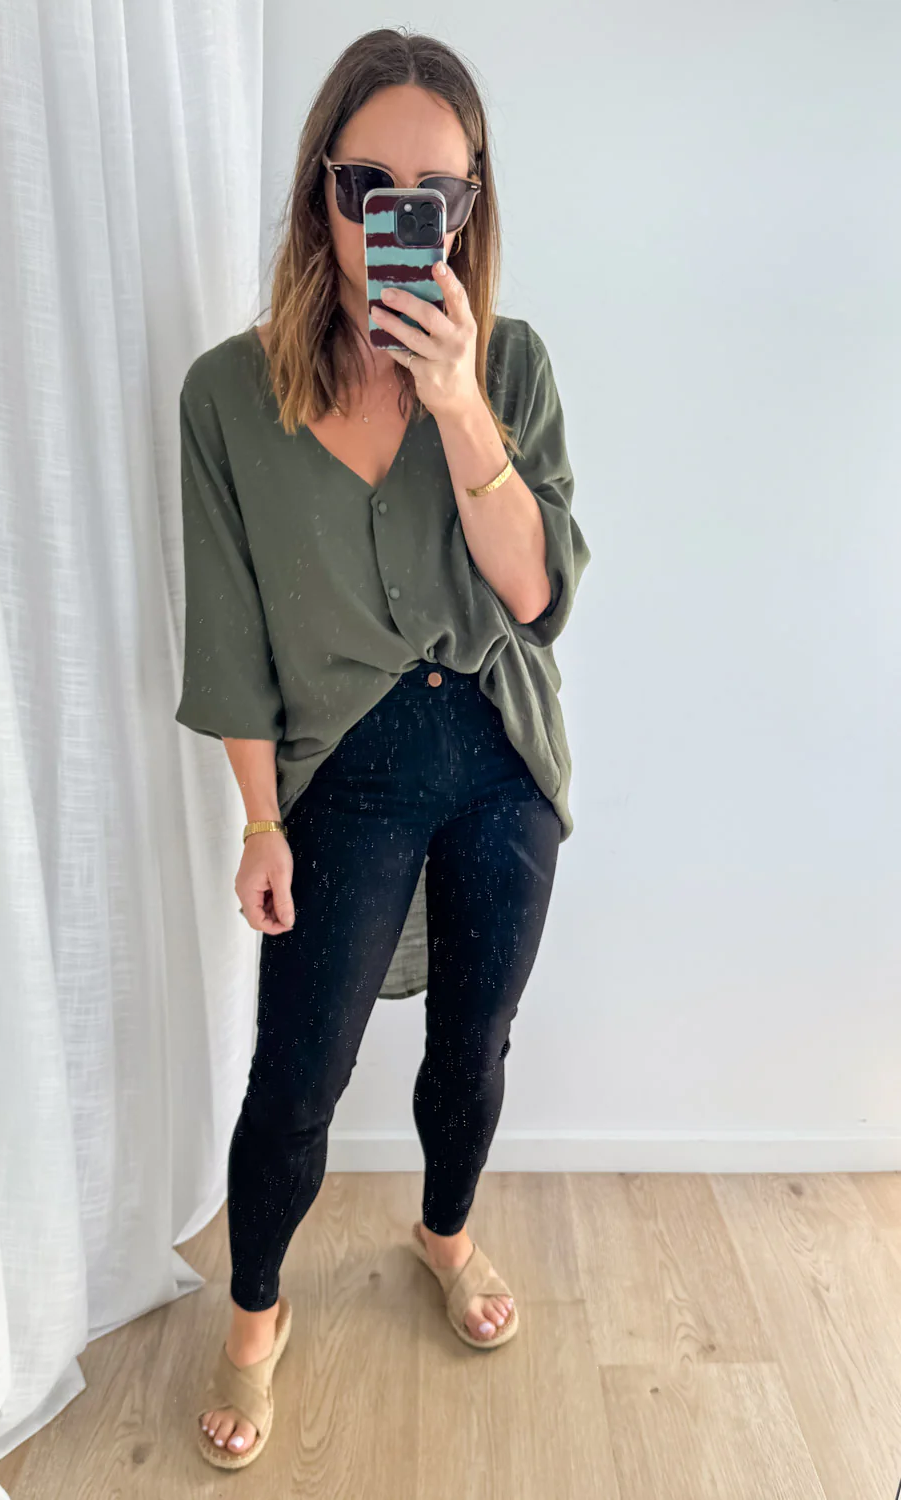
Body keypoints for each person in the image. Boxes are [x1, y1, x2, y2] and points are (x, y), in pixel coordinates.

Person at [177, 27, 591, 1470]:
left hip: (495, 752)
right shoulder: (229, 397)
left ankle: (444, 1232)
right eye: (369, 188)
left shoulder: (512, 365)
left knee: (473, 1044)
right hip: (340, 773)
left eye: (438, 195)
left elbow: (534, 596)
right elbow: (228, 637)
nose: (399, 221)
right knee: (298, 1075)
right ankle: (254, 1316)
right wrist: (258, 822)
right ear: (322, 193)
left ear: (470, 208)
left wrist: (460, 401)